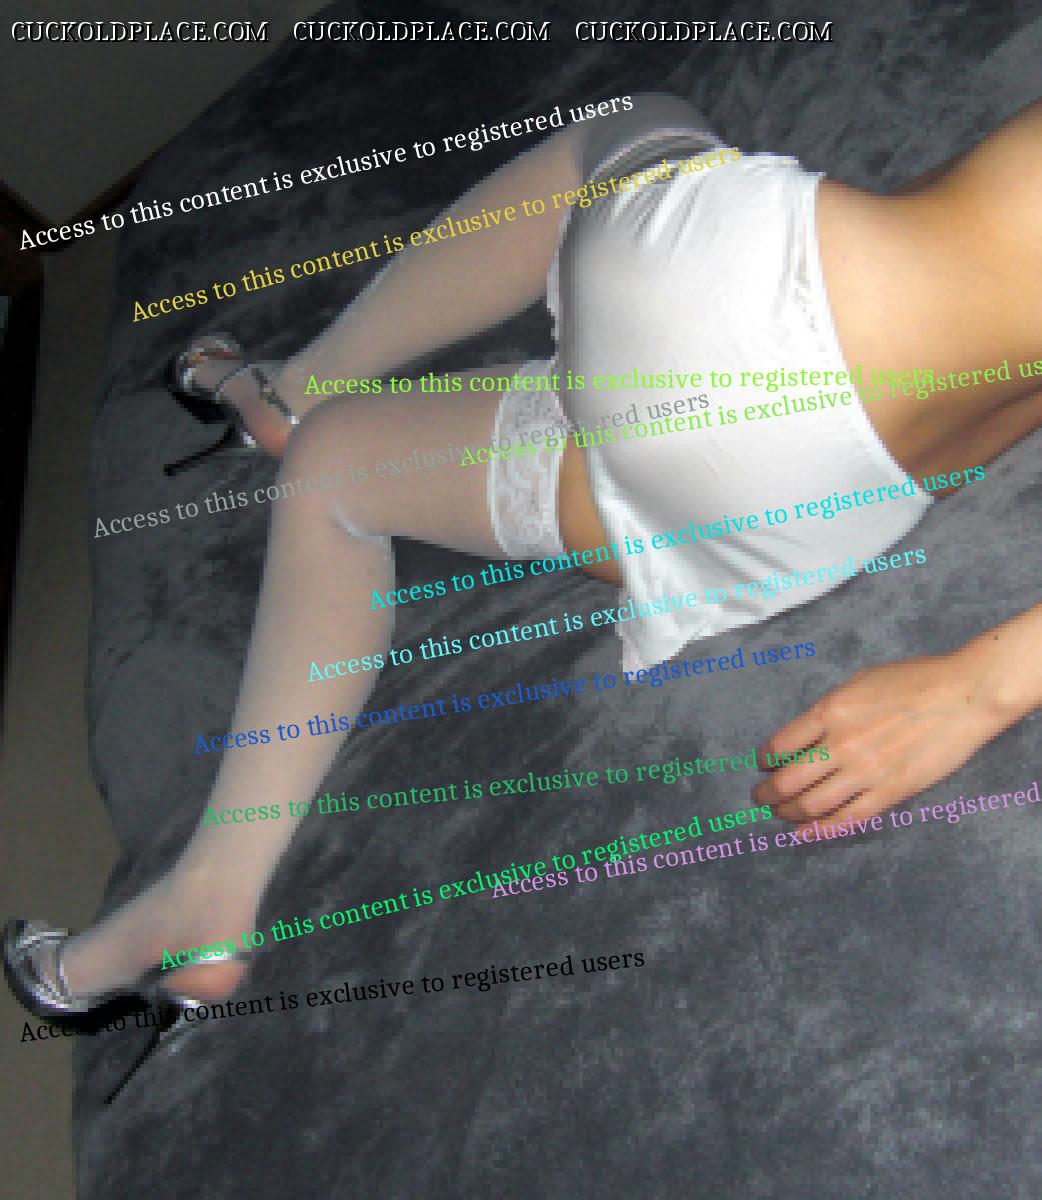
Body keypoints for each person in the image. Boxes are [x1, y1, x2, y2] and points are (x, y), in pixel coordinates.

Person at [5, 93, 1042, 1024]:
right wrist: (970, 686)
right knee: (340, 469)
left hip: (743, 303)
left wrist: (977, 691)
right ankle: (208, 902)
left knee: (631, 126)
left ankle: (301, 385)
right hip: (801, 508)